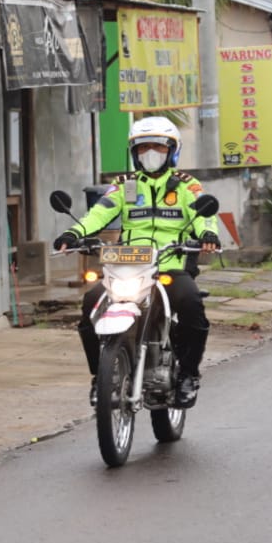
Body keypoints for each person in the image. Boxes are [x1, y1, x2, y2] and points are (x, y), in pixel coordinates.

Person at [53, 116, 220, 409]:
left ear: (172, 151)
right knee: (91, 302)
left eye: (157, 146)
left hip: (169, 264)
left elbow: (204, 214)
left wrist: (207, 233)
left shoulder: (187, 186)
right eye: (143, 148)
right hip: (128, 266)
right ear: (134, 153)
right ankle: (100, 378)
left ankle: (188, 376)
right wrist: (74, 232)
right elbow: (100, 212)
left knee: (191, 303)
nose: (150, 153)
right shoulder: (124, 185)